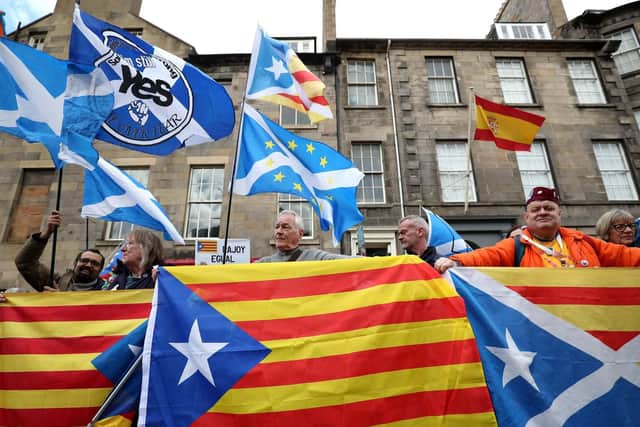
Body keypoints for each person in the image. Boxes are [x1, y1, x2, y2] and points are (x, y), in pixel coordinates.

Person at [434, 187, 640, 272]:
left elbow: (626, 255)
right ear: (527, 217)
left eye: (549, 208)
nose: (543, 212)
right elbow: (486, 256)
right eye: (536, 209)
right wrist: (455, 261)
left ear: (559, 214)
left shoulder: (583, 241)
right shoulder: (515, 246)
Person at [15, 210, 106, 291]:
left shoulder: (108, 291)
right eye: (84, 260)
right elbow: (25, 262)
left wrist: (61, 299)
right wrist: (46, 234)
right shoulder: (56, 282)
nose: (88, 265)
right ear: (75, 263)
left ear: (101, 269)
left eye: (95, 263)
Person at [256, 210, 353, 262]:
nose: (279, 231)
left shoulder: (315, 257)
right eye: (277, 227)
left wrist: (368, 262)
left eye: (285, 227)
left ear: (300, 233)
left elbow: (347, 262)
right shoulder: (263, 263)